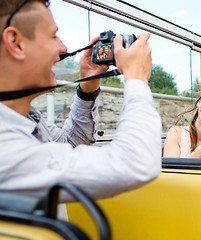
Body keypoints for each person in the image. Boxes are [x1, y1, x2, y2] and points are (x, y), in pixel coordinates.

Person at [0, 0, 161, 202]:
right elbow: (136, 162)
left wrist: (88, 87)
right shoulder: (5, 147)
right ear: (15, 42)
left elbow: (69, 144)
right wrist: (136, 77)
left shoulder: (25, 118)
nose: (63, 47)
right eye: (52, 36)